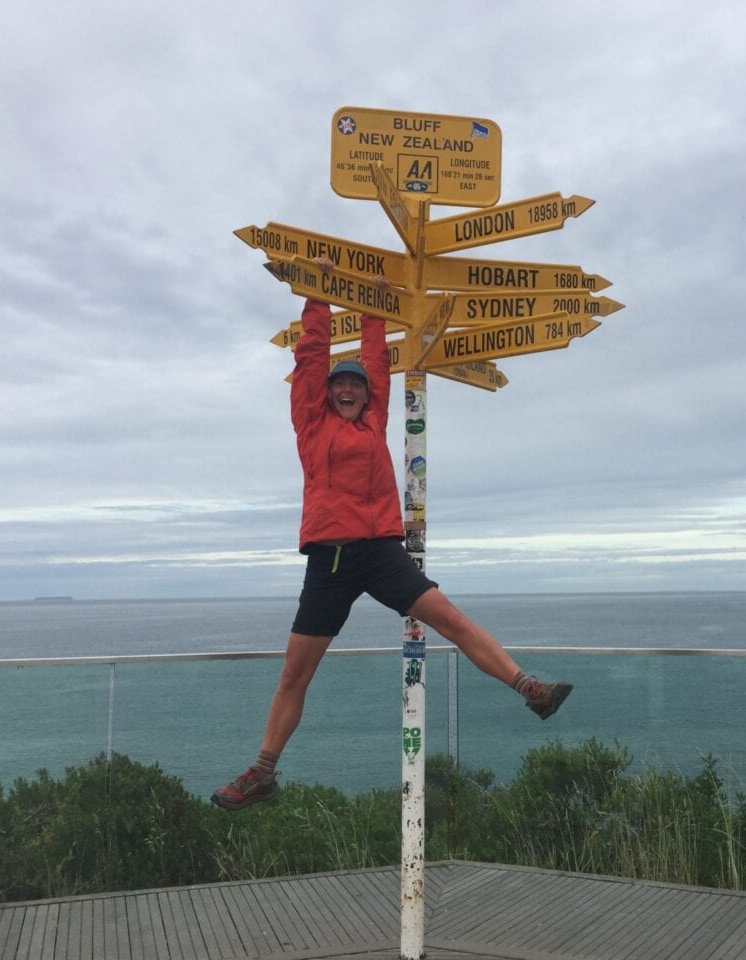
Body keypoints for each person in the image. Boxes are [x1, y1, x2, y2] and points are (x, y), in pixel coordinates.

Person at [212, 260, 572, 811]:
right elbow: (310, 360)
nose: (350, 389)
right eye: (341, 385)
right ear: (328, 395)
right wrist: (318, 300)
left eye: (356, 384)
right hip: (330, 562)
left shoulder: (372, 421)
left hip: (381, 551)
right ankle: (262, 773)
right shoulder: (312, 424)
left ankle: (531, 691)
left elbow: (379, 364)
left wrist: (373, 308)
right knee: (295, 673)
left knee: (451, 618)